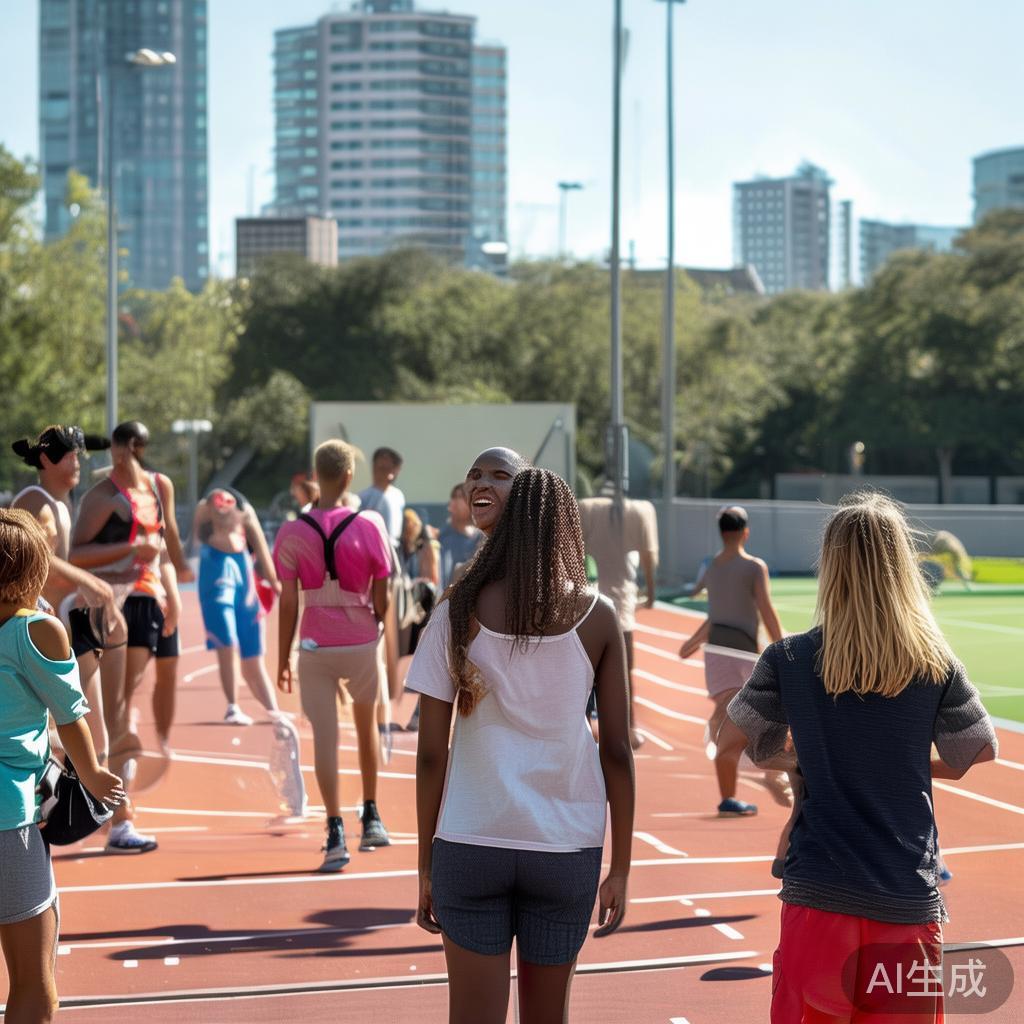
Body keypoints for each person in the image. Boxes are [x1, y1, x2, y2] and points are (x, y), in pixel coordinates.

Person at [719, 493, 997, 1023]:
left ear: (831, 567)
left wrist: (790, 762)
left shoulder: (791, 657)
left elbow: (732, 739)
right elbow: (976, 751)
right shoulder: (934, 661)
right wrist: (911, 764)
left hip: (819, 895)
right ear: (901, 567)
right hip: (905, 897)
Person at [409, 469, 635, 1024]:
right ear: (562, 520)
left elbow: (430, 753)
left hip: (469, 838)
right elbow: (618, 750)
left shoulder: (456, 607)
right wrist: (622, 867)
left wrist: (424, 865)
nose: (479, 483)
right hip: (566, 845)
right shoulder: (597, 614)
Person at [0, 509, 124, 1021]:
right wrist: (93, 775)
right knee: (34, 985)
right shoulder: (38, 631)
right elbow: (70, 716)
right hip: (9, 819)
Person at [273, 440, 394, 871]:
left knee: (325, 739)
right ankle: (373, 813)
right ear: (348, 476)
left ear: (315, 475)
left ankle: (334, 827)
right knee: (365, 728)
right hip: (361, 641)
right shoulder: (371, 524)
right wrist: (379, 626)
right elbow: (383, 591)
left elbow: (288, 602)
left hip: (314, 645)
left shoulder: (291, 532)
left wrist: (283, 657)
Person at [69, 421, 170, 854]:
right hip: (109, 604)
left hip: (146, 600)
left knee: (122, 712)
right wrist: (131, 551)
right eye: (116, 447)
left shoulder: (154, 487)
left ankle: (112, 811)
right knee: (115, 715)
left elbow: (164, 546)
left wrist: (169, 587)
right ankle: (117, 817)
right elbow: (75, 555)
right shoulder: (101, 497)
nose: (121, 454)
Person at [10, 426, 126, 758]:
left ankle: (88, 799)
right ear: (46, 459)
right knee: (65, 730)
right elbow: (37, 557)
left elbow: (63, 564)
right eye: (71, 457)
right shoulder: (35, 501)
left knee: (91, 728)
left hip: (68, 624)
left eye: (79, 456)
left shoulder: (62, 504)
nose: (78, 464)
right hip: (40, 630)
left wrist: (97, 587)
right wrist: (90, 583)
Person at [678, 505, 790, 817]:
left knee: (724, 719)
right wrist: (781, 648)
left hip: (717, 652)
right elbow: (765, 609)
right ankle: (772, 770)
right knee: (768, 713)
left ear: (722, 532)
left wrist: (693, 641)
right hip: (744, 651)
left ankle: (731, 795)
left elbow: (714, 616)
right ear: (745, 532)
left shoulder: (712, 567)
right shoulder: (754, 567)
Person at [192, 487, 285, 726]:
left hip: (243, 581)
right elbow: (192, 539)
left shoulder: (246, 513)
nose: (223, 512)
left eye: (228, 509)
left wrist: (275, 583)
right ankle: (232, 706)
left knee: (253, 654)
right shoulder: (204, 510)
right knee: (228, 643)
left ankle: (273, 710)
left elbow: (262, 547)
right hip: (216, 578)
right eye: (219, 509)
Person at [578, 484, 659, 750]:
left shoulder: (588, 511)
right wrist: (651, 593)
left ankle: (587, 725)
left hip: (591, 606)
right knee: (622, 671)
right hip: (618, 608)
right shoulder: (637, 513)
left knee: (586, 670)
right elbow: (650, 557)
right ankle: (628, 727)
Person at [150, 469, 194, 753]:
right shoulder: (107, 499)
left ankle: (162, 739)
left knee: (168, 670)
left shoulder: (156, 491)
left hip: (159, 597)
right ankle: (120, 737)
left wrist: (174, 598)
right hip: (128, 601)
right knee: (122, 683)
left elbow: (165, 552)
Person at [437, 483, 483, 590]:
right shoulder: (442, 537)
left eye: (460, 497)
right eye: (453, 497)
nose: (454, 502)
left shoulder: (482, 538)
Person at [357, 447, 405, 546]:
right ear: (374, 468)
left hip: (395, 547)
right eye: (383, 468)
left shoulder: (398, 495)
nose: (389, 472)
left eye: (391, 468)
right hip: (374, 548)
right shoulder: (363, 497)